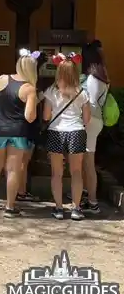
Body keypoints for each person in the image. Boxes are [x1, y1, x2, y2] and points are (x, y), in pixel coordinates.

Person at [0, 49, 39, 218]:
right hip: (18, 132)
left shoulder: (1, 79)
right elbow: (30, 117)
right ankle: (9, 207)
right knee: (13, 170)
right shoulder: (29, 89)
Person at [43, 52, 90, 221]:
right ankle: (76, 208)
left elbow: (46, 116)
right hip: (76, 131)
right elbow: (86, 119)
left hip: (56, 132)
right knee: (76, 172)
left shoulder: (51, 92)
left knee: (57, 173)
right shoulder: (82, 92)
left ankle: (59, 208)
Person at [80, 40, 108, 215]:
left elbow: (90, 104)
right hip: (95, 121)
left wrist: (82, 122)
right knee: (85, 161)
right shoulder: (102, 77)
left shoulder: (92, 79)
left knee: (88, 162)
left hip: (89, 121)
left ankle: (92, 201)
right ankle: (86, 195)